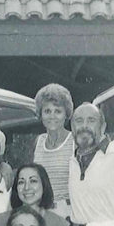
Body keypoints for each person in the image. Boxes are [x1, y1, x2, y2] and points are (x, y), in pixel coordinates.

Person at [31, 84, 75, 217]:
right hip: (42, 212)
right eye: (47, 111)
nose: (52, 116)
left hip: (67, 214)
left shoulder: (74, 141)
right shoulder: (38, 142)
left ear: (66, 114)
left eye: (58, 111)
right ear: (41, 114)